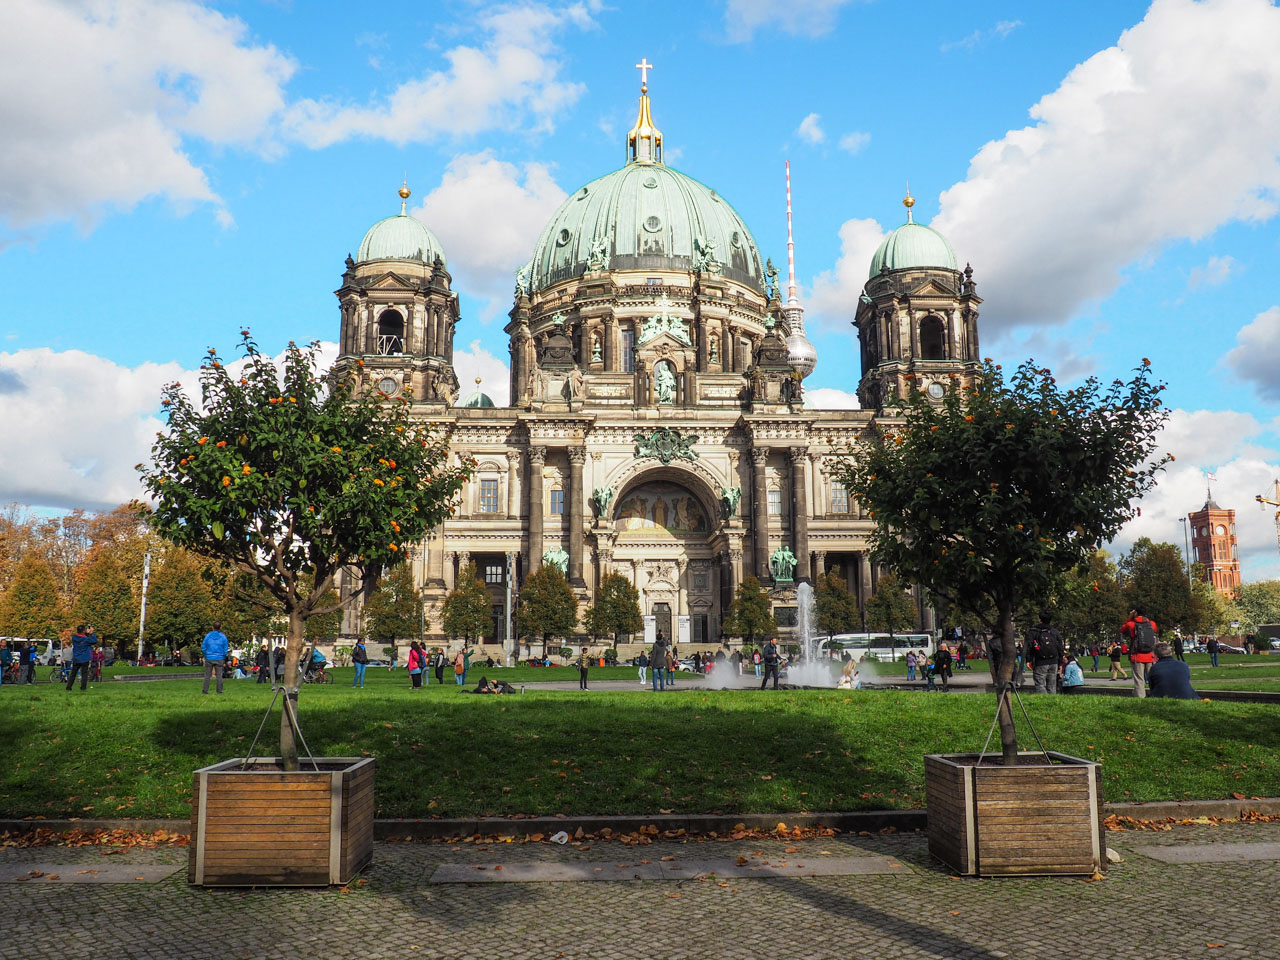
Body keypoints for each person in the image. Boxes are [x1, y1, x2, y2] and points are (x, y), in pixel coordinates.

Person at [1121, 607, 1159, 699]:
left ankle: (1140, 696)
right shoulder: (1152, 624)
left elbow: (1122, 629)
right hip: (1151, 655)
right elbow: (1155, 631)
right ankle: (1155, 695)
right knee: (1152, 678)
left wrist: (1130, 617)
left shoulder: (1131, 624)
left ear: (1136, 613)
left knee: (1139, 679)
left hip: (1137, 655)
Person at [1028, 611, 1064, 694]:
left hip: (1040, 660)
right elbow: (1060, 646)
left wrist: (1028, 659)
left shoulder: (1034, 631)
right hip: (1054, 660)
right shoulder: (1054, 631)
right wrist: (1060, 661)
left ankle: (1044, 700)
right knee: (1052, 684)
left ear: (1039, 619)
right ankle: (1052, 701)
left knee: (1040, 683)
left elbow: (1029, 646)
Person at [65, 625, 97, 691]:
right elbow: (94, 641)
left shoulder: (74, 638)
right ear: (83, 631)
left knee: (73, 674)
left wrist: (86, 633)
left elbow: (80, 636)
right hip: (84, 658)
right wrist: (92, 633)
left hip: (76, 658)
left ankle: (69, 687)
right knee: (84, 674)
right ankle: (83, 687)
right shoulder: (86, 639)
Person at [201, 622, 228, 695]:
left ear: (212, 627)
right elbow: (226, 648)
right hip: (220, 657)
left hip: (209, 657)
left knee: (207, 675)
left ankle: (205, 690)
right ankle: (219, 691)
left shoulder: (208, 636)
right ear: (220, 628)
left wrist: (206, 655)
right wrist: (223, 656)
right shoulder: (223, 637)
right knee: (219, 675)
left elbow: (203, 647)